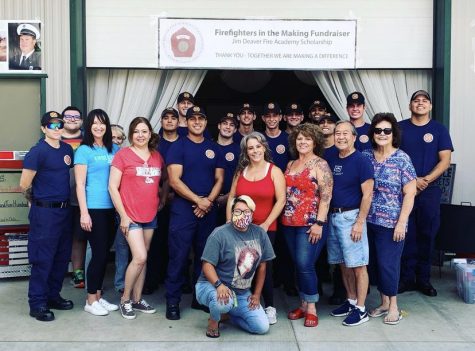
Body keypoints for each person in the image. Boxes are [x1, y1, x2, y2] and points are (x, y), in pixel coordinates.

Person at [165, 105, 225, 320]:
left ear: (206, 122)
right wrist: (198, 200)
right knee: (178, 256)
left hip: (207, 208)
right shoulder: (178, 146)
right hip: (184, 208)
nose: (197, 122)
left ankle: (200, 299)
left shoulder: (213, 147)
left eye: (201, 118)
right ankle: (172, 301)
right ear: (187, 122)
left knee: (205, 257)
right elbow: (174, 180)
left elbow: (219, 179)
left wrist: (207, 201)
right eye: (193, 119)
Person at [109, 117, 167, 320]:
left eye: (144, 131)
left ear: (150, 133)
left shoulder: (157, 156)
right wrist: (123, 216)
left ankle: (137, 298)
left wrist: (162, 199)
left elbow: (164, 181)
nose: (140, 135)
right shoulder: (123, 155)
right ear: (131, 135)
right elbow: (112, 187)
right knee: (139, 257)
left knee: (143, 259)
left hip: (150, 215)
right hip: (130, 216)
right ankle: (125, 299)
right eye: (136, 132)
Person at [362, 113, 417, 325]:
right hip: (368, 220)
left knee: (389, 264)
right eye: (378, 130)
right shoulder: (366, 156)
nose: (382, 134)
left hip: (391, 223)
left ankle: (394, 306)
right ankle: (384, 303)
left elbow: (410, 193)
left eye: (387, 130)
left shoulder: (402, 158)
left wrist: (402, 222)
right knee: (375, 264)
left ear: (393, 133)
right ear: (372, 133)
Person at [20, 111, 74, 322]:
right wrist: (38, 202)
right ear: (43, 129)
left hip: (64, 210)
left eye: (59, 124)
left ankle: (53, 296)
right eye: (52, 125)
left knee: (61, 257)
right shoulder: (37, 152)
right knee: (43, 259)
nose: (57, 128)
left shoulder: (67, 149)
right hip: (44, 212)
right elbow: (24, 185)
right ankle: (37, 303)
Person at [399, 90, 454, 297]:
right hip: (404, 190)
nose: (420, 103)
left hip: (429, 190)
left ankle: (423, 279)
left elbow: (445, 160)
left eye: (424, 100)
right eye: (416, 100)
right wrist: (412, 181)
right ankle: (406, 279)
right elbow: (392, 156)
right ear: (410, 105)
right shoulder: (400, 128)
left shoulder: (439, 129)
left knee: (427, 233)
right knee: (406, 233)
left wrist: (426, 180)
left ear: (430, 106)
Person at [227, 132, 286, 325]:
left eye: (258, 146)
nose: (255, 151)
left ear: (264, 148)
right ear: (246, 151)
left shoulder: (274, 170)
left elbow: (281, 200)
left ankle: (269, 306)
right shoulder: (240, 172)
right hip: (240, 228)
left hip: (265, 228)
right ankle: (241, 303)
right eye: (250, 148)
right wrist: (230, 222)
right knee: (240, 266)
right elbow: (231, 199)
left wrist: (267, 223)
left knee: (264, 268)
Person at [196, 195, 275, 338]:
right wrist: (219, 285)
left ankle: (227, 314)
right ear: (232, 213)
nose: (242, 215)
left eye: (246, 211)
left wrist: (256, 295)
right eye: (237, 211)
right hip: (211, 285)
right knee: (222, 303)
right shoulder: (219, 234)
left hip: (241, 292)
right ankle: (214, 321)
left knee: (261, 327)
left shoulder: (260, 234)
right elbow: (207, 265)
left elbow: (263, 266)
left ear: (252, 213)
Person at [281, 123, 333, 328]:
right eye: (299, 138)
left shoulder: (320, 165)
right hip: (289, 222)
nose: (303, 142)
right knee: (298, 265)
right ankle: (302, 305)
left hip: (311, 224)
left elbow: (326, 197)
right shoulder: (290, 164)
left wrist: (319, 222)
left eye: (307, 139)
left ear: (315, 142)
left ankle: (311, 308)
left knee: (305, 264)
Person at [326, 121, 374, 327]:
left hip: (352, 217)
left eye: (346, 133)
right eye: (338, 133)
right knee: (343, 264)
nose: (341, 137)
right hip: (333, 217)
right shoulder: (330, 157)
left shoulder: (362, 160)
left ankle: (361, 309)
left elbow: (368, 194)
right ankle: (351, 300)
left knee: (358, 265)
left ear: (354, 137)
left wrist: (359, 222)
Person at [74, 109, 119, 316]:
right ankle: (90, 300)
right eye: (95, 123)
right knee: (99, 254)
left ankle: (98, 296)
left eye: (102, 123)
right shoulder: (84, 150)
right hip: (94, 209)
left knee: (104, 255)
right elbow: (80, 184)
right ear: (89, 127)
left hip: (112, 209)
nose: (99, 127)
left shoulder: (115, 149)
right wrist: (84, 213)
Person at [143, 107, 180, 296]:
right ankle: (152, 280)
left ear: (178, 121)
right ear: (161, 121)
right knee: (156, 242)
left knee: (177, 242)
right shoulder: (154, 143)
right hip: (157, 199)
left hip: (181, 199)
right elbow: (149, 170)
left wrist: (177, 193)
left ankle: (176, 280)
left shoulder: (184, 141)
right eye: (166, 118)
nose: (170, 121)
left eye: (174, 118)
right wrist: (161, 194)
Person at [318, 114, 346, 305]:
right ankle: (317, 288)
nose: (326, 126)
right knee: (319, 253)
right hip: (319, 209)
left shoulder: (341, 151)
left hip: (339, 209)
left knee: (340, 255)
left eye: (330, 123)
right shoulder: (317, 151)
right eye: (322, 123)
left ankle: (340, 290)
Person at [60, 106, 86, 289]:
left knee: (79, 237)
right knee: (59, 235)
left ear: (81, 120)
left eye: (75, 117)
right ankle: (57, 270)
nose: (72, 119)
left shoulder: (88, 140)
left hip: (81, 198)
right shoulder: (53, 137)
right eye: (68, 116)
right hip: (58, 197)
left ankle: (78, 273)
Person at [110, 124, 128, 294]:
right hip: (102, 206)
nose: (115, 141)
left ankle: (120, 283)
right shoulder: (98, 153)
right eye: (112, 137)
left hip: (122, 207)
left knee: (122, 246)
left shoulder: (126, 155)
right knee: (95, 247)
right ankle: (92, 284)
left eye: (119, 138)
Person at [215, 112, 240, 224]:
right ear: (219, 126)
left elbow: (242, 176)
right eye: (225, 123)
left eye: (232, 125)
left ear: (235, 130)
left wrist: (228, 196)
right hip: (208, 201)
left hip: (232, 200)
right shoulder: (208, 147)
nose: (228, 127)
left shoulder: (240, 150)